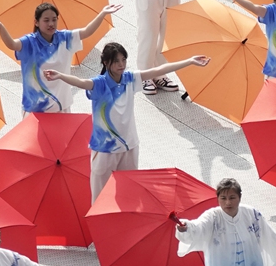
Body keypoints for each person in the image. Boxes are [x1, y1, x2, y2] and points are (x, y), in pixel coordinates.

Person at [45, 43, 210, 202]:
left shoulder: (130, 79)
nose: (121, 64)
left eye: (123, 59)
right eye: (116, 61)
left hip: (129, 146)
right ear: (106, 62)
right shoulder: (99, 83)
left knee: (129, 194)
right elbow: (81, 83)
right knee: (100, 198)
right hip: (104, 149)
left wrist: (189, 61)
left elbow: (157, 70)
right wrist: (60, 76)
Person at [0, 2, 120, 113]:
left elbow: (86, 31)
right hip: (35, 108)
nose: (51, 24)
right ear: (36, 22)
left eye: (54, 20)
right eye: (46, 20)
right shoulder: (29, 42)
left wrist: (103, 13)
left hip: (61, 105)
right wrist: (0, 27)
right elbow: (12, 44)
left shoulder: (65, 38)